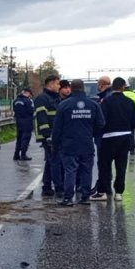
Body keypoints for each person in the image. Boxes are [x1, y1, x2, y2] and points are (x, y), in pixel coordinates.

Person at [51, 79, 105, 207]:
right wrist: (91, 133)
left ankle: (68, 198)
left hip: (69, 144)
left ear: (72, 88)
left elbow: (57, 128)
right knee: (86, 171)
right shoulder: (93, 104)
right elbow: (101, 123)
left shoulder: (64, 105)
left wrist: (55, 144)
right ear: (83, 88)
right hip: (86, 143)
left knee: (70, 170)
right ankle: (85, 197)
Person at [93, 77, 135, 202]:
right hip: (125, 137)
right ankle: (119, 193)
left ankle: (102, 191)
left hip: (108, 138)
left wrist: (100, 133)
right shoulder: (130, 102)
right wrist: (128, 130)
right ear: (123, 87)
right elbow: (134, 121)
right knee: (121, 166)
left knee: (105, 166)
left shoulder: (106, 102)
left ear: (112, 87)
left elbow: (101, 120)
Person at [34, 76, 63, 197]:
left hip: (54, 135)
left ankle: (46, 186)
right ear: (50, 84)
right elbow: (42, 118)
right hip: (49, 136)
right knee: (55, 161)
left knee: (51, 161)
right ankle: (59, 188)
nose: (59, 86)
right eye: (57, 84)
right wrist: (47, 136)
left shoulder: (55, 98)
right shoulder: (42, 98)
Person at [12, 87, 34, 161]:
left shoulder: (15, 101)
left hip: (18, 122)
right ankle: (23, 155)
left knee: (19, 138)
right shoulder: (28, 101)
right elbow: (31, 111)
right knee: (26, 139)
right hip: (27, 122)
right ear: (28, 93)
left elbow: (14, 110)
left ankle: (16, 154)